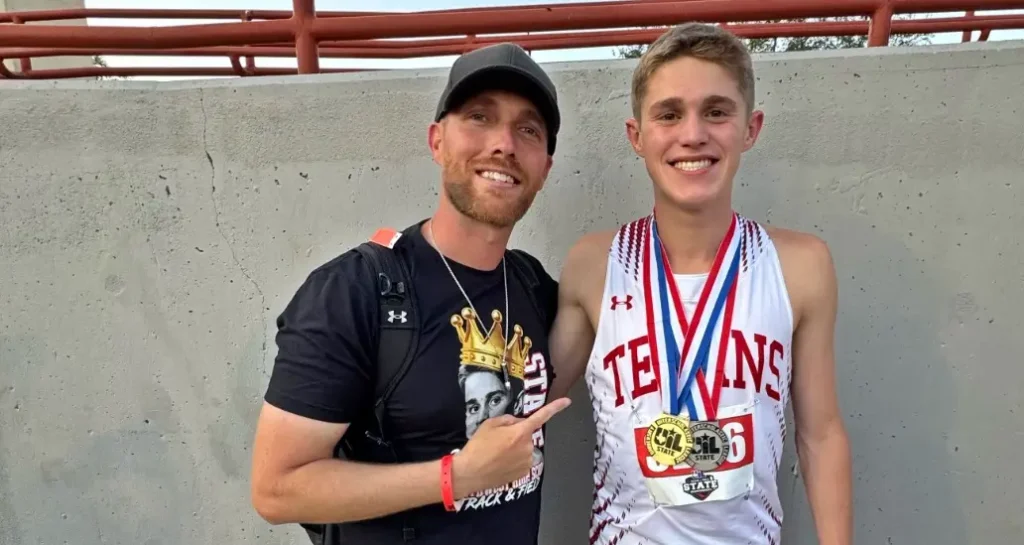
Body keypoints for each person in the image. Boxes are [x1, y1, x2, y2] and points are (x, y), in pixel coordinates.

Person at [249, 42, 571, 545]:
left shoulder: (531, 285)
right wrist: (456, 476)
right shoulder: (355, 290)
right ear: (437, 141)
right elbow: (277, 490)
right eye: (479, 117)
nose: (504, 144)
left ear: (545, 168)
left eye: (528, 129)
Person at [548, 23, 853, 545]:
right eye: (668, 114)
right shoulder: (595, 264)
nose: (692, 134)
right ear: (637, 136)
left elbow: (821, 435)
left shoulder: (800, 266)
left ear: (750, 128)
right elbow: (533, 406)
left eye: (716, 111)